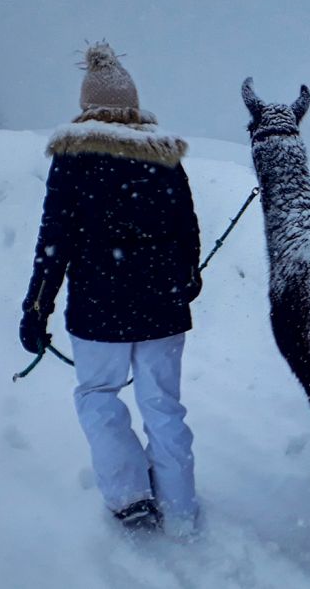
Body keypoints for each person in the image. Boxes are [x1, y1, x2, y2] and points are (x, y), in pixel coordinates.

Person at [19, 42, 202, 538]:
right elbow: (187, 224)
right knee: (163, 406)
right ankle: (181, 505)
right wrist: (188, 278)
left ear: (87, 106)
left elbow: (54, 238)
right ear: (133, 103)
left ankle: (131, 498)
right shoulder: (164, 155)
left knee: (99, 395)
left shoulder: (76, 156)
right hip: (163, 307)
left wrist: (38, 306)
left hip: (100, 308)